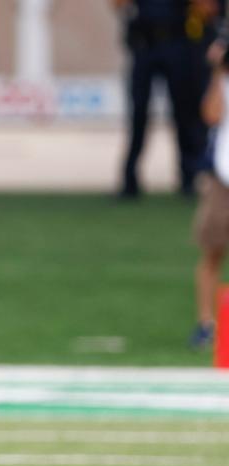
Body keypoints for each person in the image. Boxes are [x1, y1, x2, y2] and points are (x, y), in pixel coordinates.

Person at [114, 0, 223, 197]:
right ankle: (130, 179)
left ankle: (188, 177)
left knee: (184, 111)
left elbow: (210, 9)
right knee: (138, 113)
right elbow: (119, 5)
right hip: (144, 43)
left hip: (180, 42)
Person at [190, 35, 229, 348]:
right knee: (212, 251)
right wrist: (218, 69)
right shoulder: (224, 81)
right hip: (224, 177)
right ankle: (206, 323)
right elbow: (211, 114)